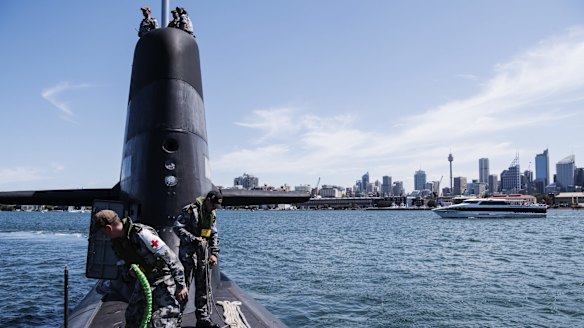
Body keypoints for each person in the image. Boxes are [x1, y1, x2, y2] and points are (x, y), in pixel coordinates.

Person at [92, 210, 188, 327]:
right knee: (133, 315)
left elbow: (170, 257)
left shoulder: (141, 233)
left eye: (103, 233)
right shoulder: (117, 243)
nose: (104, 236)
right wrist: (130, 274)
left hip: (163, 278)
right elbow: (123, 267)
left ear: (108, 228)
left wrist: (181, 285)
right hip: (145, 280)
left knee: (164, 319)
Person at [174, 190, 222, 328]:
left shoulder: (212, 214)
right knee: (183, 288)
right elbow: (177, 228)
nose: (214, 208)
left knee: (204, 289)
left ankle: (203, 319)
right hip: (188, 255)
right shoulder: (190, 211)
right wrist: (193, 239)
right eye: (212, 205)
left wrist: (214, 254)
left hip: (203, 255)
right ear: (207, 200)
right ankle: (175, 321)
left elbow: (213, 234)